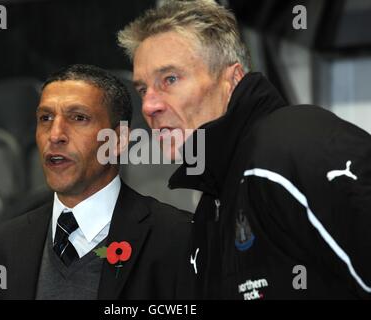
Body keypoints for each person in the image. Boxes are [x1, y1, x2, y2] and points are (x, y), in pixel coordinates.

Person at [118, 0, 371, 299]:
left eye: (170, 79)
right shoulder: (212, 206)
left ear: (232, 79)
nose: (149, 106)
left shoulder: (293, 147)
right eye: (143, 89)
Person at [0, 64, 193, 300]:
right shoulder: (5, 244)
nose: (55, 134)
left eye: (78, 118)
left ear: (119, 139)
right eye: (45, 118)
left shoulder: (178, 236)